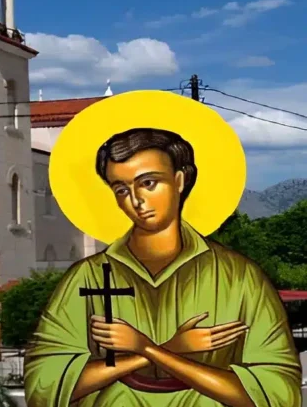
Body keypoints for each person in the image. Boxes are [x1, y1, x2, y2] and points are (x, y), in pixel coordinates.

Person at [23, 91, 301, 407]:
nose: (136, 200)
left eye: (149, 183)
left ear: (179, 180)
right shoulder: (87, 277)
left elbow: (278, 393)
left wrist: (148, 349)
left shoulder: (239, 278)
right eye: (121, 189)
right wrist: (164, 349)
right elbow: (43, 386)